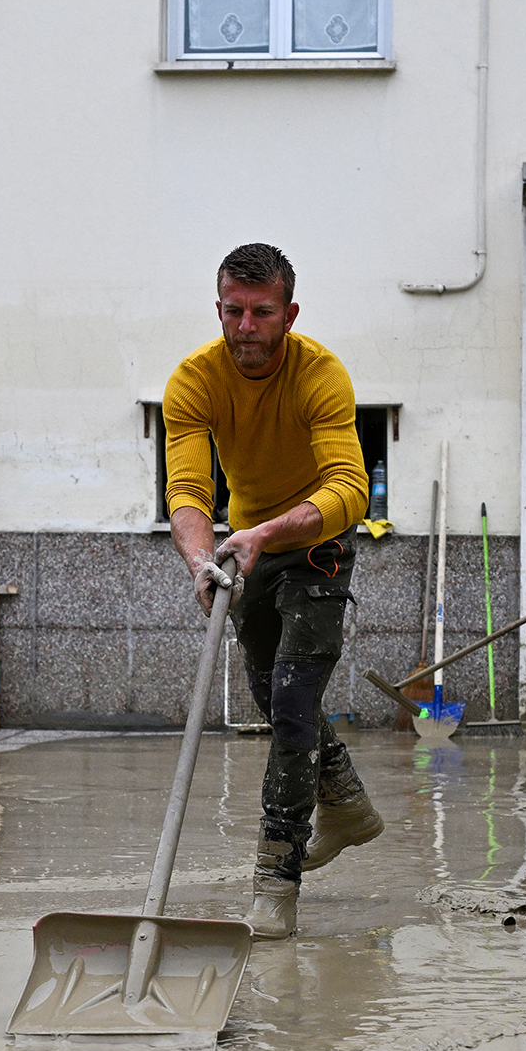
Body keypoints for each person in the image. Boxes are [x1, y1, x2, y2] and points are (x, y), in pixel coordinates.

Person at [163, 243, 376, 940]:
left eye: (261, 313)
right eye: (233, 311)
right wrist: (202, 559)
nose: (245, 326)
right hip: (247, 552)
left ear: (289, 313)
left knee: (290, 701)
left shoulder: (321, 375)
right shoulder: (194, 381)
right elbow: (190, 491)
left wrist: (266, 532)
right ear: (219, 308)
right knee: (271, 690)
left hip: (315, 545)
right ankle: (343, 800)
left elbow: (350, 489)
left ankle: (275, 879)